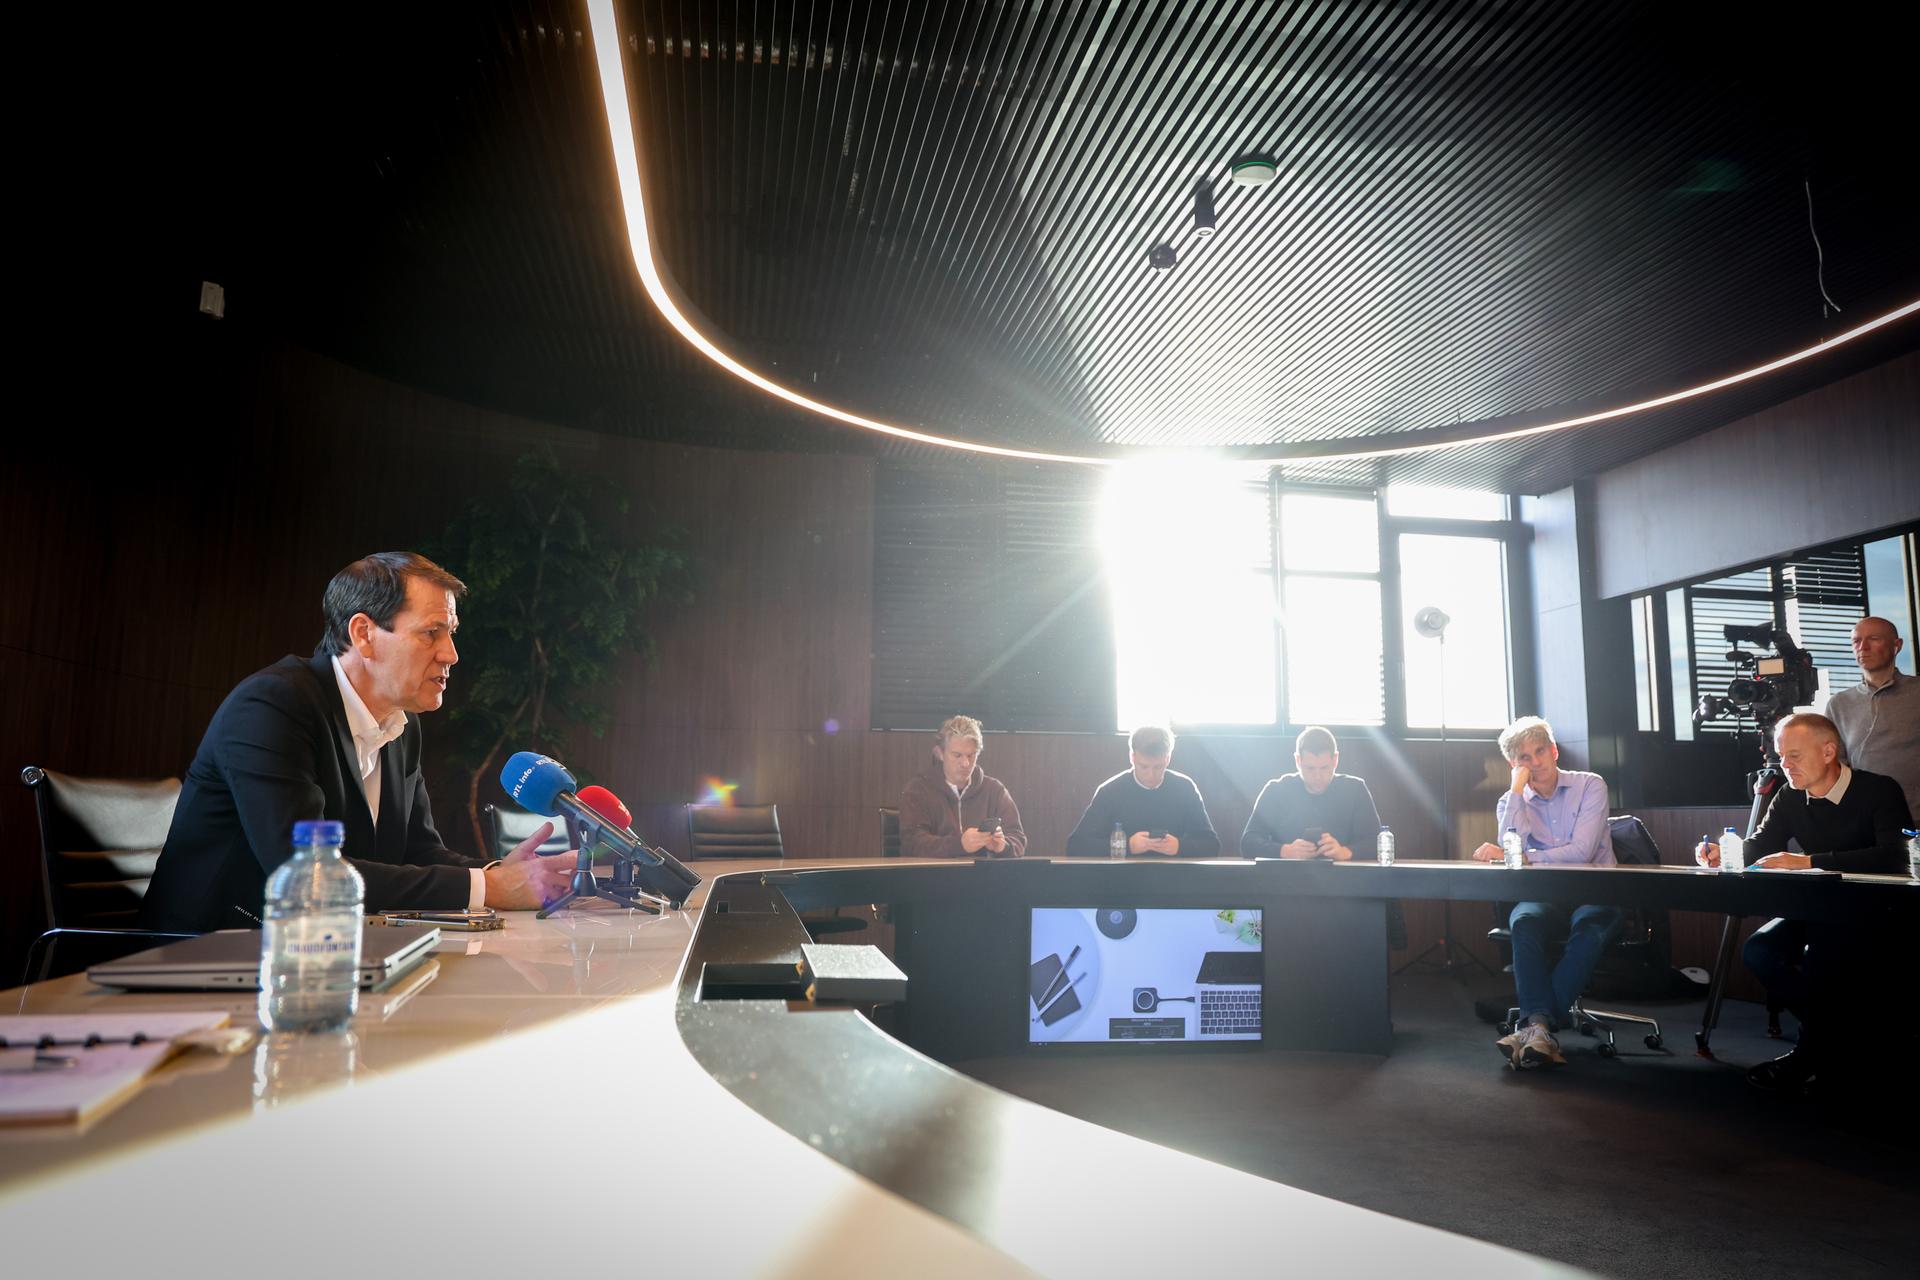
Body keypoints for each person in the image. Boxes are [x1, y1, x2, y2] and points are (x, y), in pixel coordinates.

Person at [142, 553, 575, 933]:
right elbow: (305, 872)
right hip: (204, 952)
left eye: (452, 633)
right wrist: (489, 887)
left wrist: (500, 873)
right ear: (364, 634)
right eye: (431, 633)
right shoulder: (274, 705)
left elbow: (418, 852)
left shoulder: (401, 725)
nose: (451, 654)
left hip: (318, 949)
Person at [1694, 713, 1911, 1093]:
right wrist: (1721, 852)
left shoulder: (1879, 790)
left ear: (1829, 751)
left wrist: (1810, 860)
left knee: (1824, 954)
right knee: (1760, 951)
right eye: (1781, 757)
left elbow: (1895, 857)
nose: (1785, 766)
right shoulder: (1790, 796)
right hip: (1820, 907)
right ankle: (1837, 1043)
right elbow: (1758, 848)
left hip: (1878, 910)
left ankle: (1813, 1052)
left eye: (1794, 755)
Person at [1469, 715, 1618, 1070]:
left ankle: (1536, 1025)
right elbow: (1510, 851)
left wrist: (1526, 857)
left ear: (1554, 751)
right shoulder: (1511, 801)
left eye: (1540, 752)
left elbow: (1581, 853)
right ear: (1513, 764)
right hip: (1545, 895)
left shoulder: (1590, 785)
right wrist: (1516, 793)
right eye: (1524, 758)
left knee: (1589, 925)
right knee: (1523, 920)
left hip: (1596, 889)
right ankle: (1541, 1030)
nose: (1535, 763)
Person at [1064, 726, 1220, 857]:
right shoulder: (1111, 791)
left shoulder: (1185, 788)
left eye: (1158, 767)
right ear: (1132, 758)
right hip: (1121, 883)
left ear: (1168, 758)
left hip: (1173, 879)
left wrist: (1179, 846)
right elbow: (1076, 846)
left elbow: (1212, 846)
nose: (1151, 775)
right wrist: (1127, 847)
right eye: (1144, 766)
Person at [1825, 616, 1920, 822]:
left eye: (1874, 639)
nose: (1863, 647)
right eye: (1856, 641)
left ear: (1897, 645)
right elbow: (1834, 764)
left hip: (1915, 816)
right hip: (1864, 820)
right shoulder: (1839, 703)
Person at [1240, 726, 1382, 860]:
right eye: (1310, 769)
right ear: (1298, 760)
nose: (1318, 776)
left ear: (1335, 760)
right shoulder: (1276, 790)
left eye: (1325, 768)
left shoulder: (1355, 789)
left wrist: (1344, 852)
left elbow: (1377, 842)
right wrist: (1285, 851)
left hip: (1343, 878)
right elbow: (1248, 842)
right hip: (1286, 878)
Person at [898, 715, 1027, 858]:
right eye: (957, 755)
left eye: (971, 755)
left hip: (983, 877)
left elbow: (1018, 839)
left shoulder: (995, 790)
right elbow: (912, 844)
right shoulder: (918, 790)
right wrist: (959, 845)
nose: (965, 763)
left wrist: (1003, 846)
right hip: (934, 877)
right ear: (940, 753)